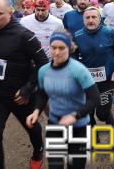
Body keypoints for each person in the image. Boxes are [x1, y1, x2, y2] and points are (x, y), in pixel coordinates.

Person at [0, 0, 49, 169]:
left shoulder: (25, 36)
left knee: (32, 127)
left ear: (10, 13)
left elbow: (44, 64)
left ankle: (38, 150)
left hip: (20, 95)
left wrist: (28, 88)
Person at [27, 31, 100, 169]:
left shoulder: (79, 70)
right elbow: (42, 94)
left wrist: (75, 115)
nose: (57, 52)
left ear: (69, 48)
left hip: (79, 127)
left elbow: (94, 98)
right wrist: (36, 111)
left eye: (62, 48)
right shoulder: (43, 71)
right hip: (55, 125)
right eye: (53, 47)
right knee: (55, 165)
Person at [74, 7, 114, 127]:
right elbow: (73, 55)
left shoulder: (109, 33)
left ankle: (110, 120)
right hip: (86, 82)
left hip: (106, 80)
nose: (90, 20)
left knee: (102, 114)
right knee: (88, 113)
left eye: (94, 17)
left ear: (100, 19)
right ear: (83, 20)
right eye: (87, 18)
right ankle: (93, 138)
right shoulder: (77, 36)